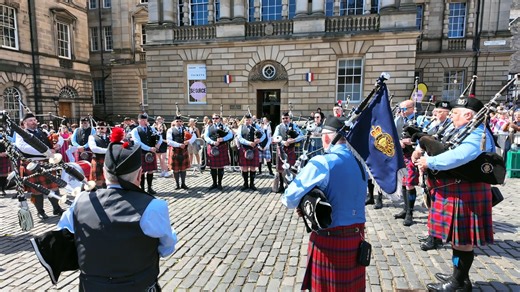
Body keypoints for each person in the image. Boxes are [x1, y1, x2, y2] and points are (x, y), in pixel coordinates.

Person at [56, 127, 177, 291]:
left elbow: (64, 238)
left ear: (104, 173)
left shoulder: (80, 201)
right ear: (140, 174)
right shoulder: (154, 206)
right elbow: (167, 248)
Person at [415, 97, 495, 291]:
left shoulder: (478, 134)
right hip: (457, 190)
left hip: (467, 193)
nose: (451, 116)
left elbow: (459, 155)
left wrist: (429, 162)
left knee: (463, 240)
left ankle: (458, 283)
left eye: (455, 113)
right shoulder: (462, 130)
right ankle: (460, 277)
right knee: (458, 240)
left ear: (468, 115)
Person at [282, 116, 368, 290]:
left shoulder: (322, 162)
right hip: (357, 237)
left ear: (327, 137)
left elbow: (289, 199)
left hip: (330, 239)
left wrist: (303, 202)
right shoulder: (360, 162)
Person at [15, 113, 65, 219]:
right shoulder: (21, 134)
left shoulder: (42, 131)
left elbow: (58, 138)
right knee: (37, 190)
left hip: (47, 162)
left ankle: (57, 208)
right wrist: (45, 152)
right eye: (30, 120)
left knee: (54, 187)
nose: (33, 122)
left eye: (34, 120)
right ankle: (40, 212)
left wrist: (57, 145)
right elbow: (23, 147)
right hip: (32, 164)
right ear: (24, 123)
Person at [394, 99, 419, 226]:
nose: (401, 111)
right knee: (404, 183)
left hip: (412, 155)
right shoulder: (399, 120)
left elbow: (426, 136)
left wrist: (412, 142)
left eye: (403, 109)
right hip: (401, 155)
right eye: (400, 108)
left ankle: (410, 213)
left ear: (411, 108)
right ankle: (405, 209)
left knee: (409, 184)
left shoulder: (419, 119)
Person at [130, 114, 162, 195]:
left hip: (151, 153)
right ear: (138, 120)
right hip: (141, 152)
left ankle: (150, 188)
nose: (144, 122)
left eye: (145, 120)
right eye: (142, 120)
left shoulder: (151, 129)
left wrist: (158, 144)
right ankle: (142, 189)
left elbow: (159, 136)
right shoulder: (135, 130)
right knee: (142, 171)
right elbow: (137, 142)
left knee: (150, 171)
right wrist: (149, 148)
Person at [272, 112, 304, 193]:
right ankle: (281, 185)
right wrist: (283, 142)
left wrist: (293, 140)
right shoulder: (278, 127)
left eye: (286, 118)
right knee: (280, 169)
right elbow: (275, 137)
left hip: (291, 149)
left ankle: (289, 185)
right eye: (283, 118)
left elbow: (301, 135)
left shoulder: (294, 126)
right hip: (281, 149)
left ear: (289, 118)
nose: (285, 120)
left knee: (290, 168)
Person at [203, 114, 234, 190]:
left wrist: (223, 139)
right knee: (212, 167)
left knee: (220, 167)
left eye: (216, 118)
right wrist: (213, 142)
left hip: (221, 147)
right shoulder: (209, 127)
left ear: (219, 119)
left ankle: (219, 184)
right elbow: (206, 137)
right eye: (213, 118)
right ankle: (214, 183)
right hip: (212, 146)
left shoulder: (224, 127)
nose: (215, 119)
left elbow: (230, 135)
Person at [237, 114, 265, 191]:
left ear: (251, 120)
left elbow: (264, 135)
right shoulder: (241, 127)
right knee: (244, 167)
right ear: (244, 120)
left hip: (254, 148)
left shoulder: (256, 126)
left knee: (253, 167)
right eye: (247, 120)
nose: (248, 121)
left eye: (250, 120)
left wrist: (259, 140)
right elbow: (239, 137)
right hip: (245, 148)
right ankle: (245, 184)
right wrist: (248, 143)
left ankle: (252, 184)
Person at [166, 116, 195, 190]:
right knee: (175, 169)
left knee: (183, 169)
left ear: (182, 122)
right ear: (174, 122)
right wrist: (179, 145)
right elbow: (169, 141)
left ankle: (183, 184)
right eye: (177, 121)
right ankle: (177, 184)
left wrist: (188, 141)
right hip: (175, 150)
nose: (178, 123)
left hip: (184, 151)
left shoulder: (186, 129)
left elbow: (194, 137)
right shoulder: (170, 130)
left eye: (180, 121)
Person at [88, 121, 110, 188]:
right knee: (98, 181)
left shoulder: (110, 137)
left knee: (109, 180)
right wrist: (108, 150)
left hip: (108, 161)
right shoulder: (92, 137)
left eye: (102, 128)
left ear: (106, 129)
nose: (100, 130)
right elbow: (94, 149)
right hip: (97, 161)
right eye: (98, 128)